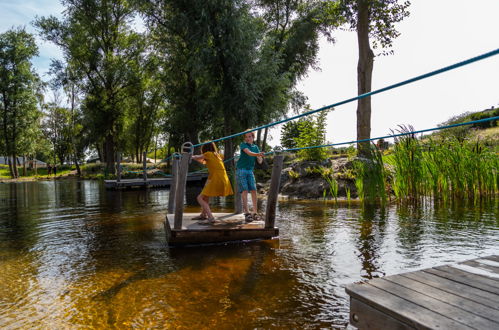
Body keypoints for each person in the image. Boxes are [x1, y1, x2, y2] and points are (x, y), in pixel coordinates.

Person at [191, 142, 233, 223]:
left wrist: (189, 156)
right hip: (223, 178)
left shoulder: (208, 154)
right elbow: (202, 160)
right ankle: (203, 215)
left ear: (205, 149)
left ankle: (210, 217)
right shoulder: (217, 155)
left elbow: (198, 157)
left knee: (199, 198)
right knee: (206, 197)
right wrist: (194, 158)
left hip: (216, 178)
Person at [236, 130, 265, 222]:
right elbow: (248, 153)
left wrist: (260, 157)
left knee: (253, 190)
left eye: (249, 137)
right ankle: (247, 213)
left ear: (253, 138)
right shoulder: (243, 145)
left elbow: (259, 161)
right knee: (244, 190)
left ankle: (255, 212)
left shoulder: (256, 147)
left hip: (250, 170)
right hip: (241, 170)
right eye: (246, 137)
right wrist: (257, 154)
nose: (248, 138)